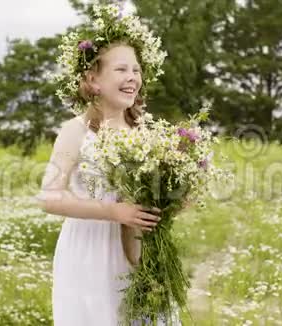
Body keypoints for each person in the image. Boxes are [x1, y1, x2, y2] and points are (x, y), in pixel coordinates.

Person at [36, 4, 178, 325]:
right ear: (93, 80)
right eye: (122, 69)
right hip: (90, 251)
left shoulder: (145, 130)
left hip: (139, 249)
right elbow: (49, 197)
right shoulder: (76, 132)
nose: (133, 77)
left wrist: (174, 200)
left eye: (137, 70)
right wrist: (113, 212)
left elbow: (155, 191)